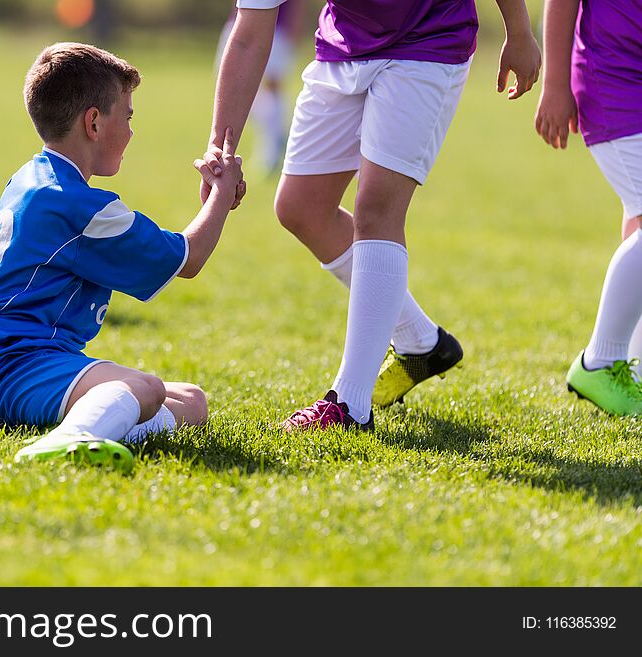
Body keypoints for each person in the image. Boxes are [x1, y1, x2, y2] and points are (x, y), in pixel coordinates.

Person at [200, 0, 541, 431]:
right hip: (342, 48)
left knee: (377, 210)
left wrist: (519, 30)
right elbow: (250, 33)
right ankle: (421, 342)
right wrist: (219, 146)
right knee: (300, 208)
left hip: (428, 41)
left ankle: (350, 405)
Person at [0, 43, 244, 473]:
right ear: (93, 123)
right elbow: (188, 258)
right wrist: (220, 195)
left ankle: (92, 427)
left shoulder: (35, 176)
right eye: (127, 116)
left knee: (191, 401)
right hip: (5, 363)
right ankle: (73, 439)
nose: (131, 130)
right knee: (143, 388)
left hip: (5, 357)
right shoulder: (77, 206)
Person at [535, 0, 642, 415]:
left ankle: (630, 371)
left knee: (638, 217)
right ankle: (601, 360)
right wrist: (555, 84)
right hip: (614, 76)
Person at [215, 0, 304, 175]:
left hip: (276, 28)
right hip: (240, 22)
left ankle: (273, 148)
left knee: (272, 86)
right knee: (231, 87)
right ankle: (276, 135)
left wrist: (294, 26)